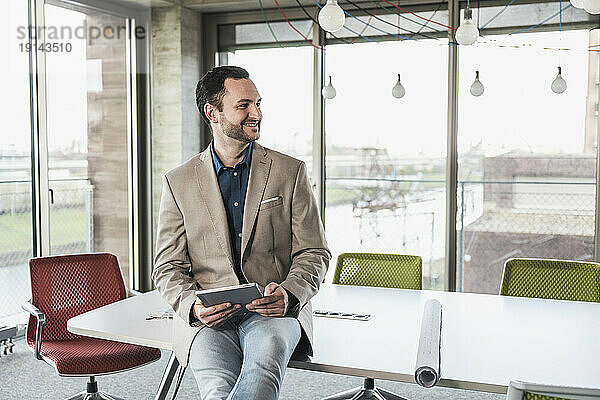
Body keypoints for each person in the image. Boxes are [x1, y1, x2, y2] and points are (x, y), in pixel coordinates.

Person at [153, 65, 330, 400]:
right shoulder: (178, 182)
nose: (257, 113)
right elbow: (167, 267)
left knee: (261, 374)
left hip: (273, 311)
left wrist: (290, 293)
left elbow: (314, 251)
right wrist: (193, 306)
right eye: (244, 105)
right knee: (216, 389)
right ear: (213, 113)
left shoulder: (290, 172)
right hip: (210, 319)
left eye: (258, 103)